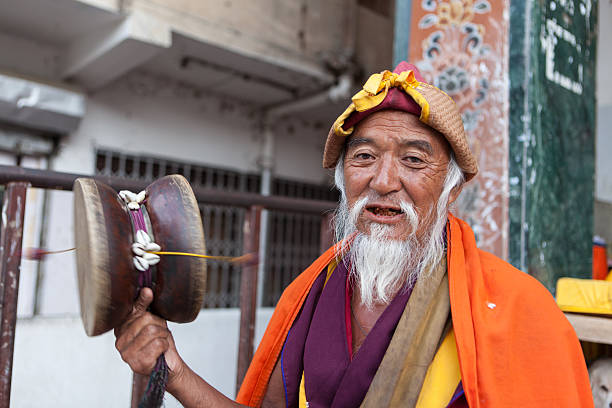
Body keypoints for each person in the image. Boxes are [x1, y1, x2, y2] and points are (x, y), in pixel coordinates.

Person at [114, 62, 594, 407]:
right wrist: (174, 372)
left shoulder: (520, 311)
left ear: (452, 189)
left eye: (413, 159)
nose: (383, 181)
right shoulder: (307, 295)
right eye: (364, 157)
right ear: (343, 181)